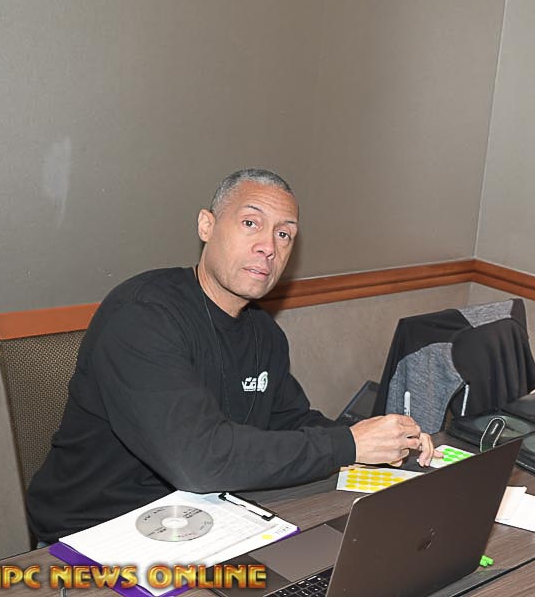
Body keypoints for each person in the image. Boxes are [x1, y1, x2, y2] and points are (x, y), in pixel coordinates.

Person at [27, 168, 435, 544]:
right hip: (93, 536)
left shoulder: (264, 332)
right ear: (206, 225)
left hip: (207, 519)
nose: (268, 247)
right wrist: (347, 444)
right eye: (250, 223)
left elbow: (288, 419)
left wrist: (377, 440)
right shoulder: (142, 315)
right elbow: (197, 461)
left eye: (284, 234)